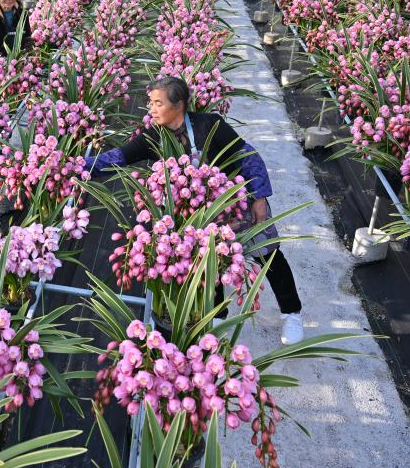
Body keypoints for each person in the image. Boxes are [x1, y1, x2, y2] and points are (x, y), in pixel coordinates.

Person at [84, 76, 305, 346]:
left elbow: (247, 155)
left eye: (157, 103)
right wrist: (78, 166)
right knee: (209, 265)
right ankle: (218, 317)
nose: (151, 110)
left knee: (268, 256)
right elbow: (118, 157)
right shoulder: (154, 137)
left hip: (239, 207)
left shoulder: (209, 125)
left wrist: (259, 197)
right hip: (199, 218)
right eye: (150, 103)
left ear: (178, 105)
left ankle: (292, 313)